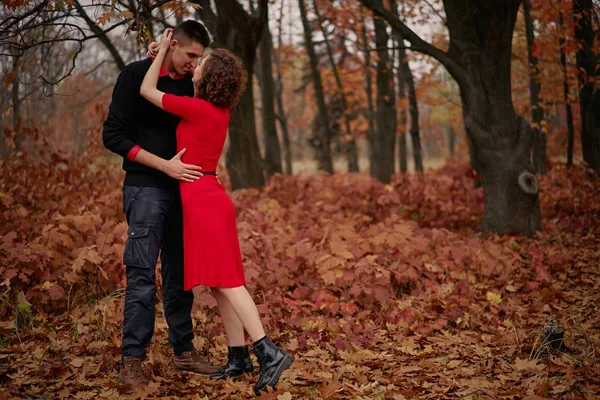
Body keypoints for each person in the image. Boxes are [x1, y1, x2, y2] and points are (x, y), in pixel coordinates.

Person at [139, 29, 294, 395]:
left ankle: (267, 351)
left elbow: (147, 90)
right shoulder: (216, 110)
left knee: (227, 280)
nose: (195, 66)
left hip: (204, 201)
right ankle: (238, 356)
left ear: (209, 77)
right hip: (208, 196)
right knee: (219, 282)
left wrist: (161, 54)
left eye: (201, 64)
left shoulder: (197, 108)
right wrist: (157, 55)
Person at [102, 20, 223, 389]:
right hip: (145, 188)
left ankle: (183, 353)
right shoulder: (136, 75)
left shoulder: (194, 83)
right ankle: (132, 360)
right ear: (172, 44)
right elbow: (113, 135)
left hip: (186, 192)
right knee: (141, 274)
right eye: (190, 55)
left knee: (180, 276)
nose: (194, 63)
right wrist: (164, 165)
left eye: (199, 58)